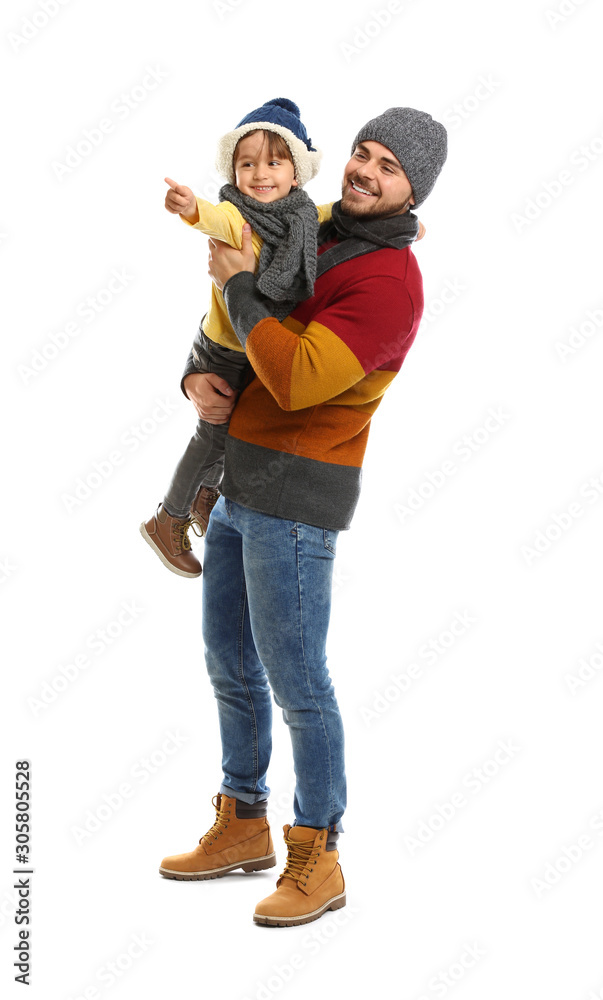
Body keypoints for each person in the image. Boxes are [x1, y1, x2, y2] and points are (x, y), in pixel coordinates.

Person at [158, 107, 448, 927]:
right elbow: (235, 327)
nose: (366, 171)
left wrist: (236, 280)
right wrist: (194, 375)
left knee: (299, 686)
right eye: (363, 152)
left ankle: (318, 854)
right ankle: (242, 821)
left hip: (295, 501)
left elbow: (289, 376)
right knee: (229, 664)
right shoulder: (315, 226)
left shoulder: (389, 284)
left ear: (413, 190)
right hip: (238, 482)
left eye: (388, 167)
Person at [140, 97, 330, 577]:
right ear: (234, 171)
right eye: (247, 164)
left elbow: (338, 215)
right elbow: (209, 215)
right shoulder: (236, 216)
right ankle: (168, 518)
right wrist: (189, 206)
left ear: (296, 173)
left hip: (254, 344)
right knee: (213, 434)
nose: (259, 174)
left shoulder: (303, 218)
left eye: (274, 163)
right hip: (225, 348)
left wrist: (401, 227)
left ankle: (205, 496)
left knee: (238, 435)